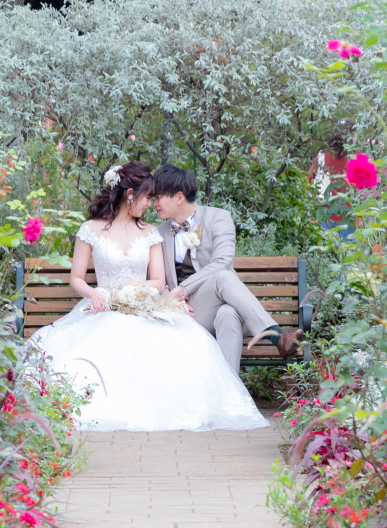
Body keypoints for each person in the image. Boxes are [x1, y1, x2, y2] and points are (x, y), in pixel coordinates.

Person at [31, 161, 267, 433]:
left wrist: (139, 288)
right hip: (102, 306)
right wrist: (93, 294)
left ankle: (226, 394)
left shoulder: (151, 233)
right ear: (130, 195)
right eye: (147, 197)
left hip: (142, 303)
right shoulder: (91, 229)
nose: (151, 204)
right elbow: (77, 278)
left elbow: (158, 280)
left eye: (155, 197)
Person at [152, 164, 302, 373]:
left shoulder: (218, 218)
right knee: (223, 282)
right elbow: (157, 278)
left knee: (228, 313)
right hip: (186, 312)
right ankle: (276, 337)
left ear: (178, 197)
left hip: (216, 302)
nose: (154, 204)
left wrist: (183, 288)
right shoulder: (159, 232)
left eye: (158, 197)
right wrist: (174, 297)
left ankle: (230, 398)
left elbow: (222, 261)